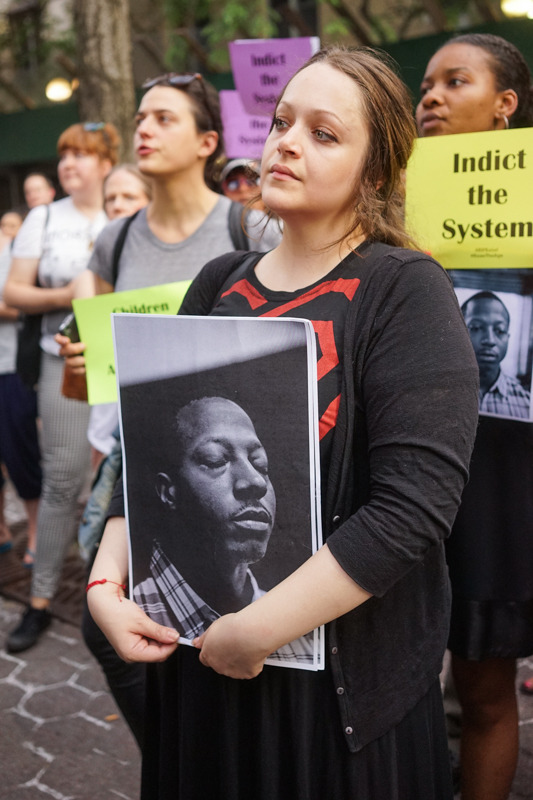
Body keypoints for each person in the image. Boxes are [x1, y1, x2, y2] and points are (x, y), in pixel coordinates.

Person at [87, 46, 478, 800]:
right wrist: (109, 580)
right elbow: (146, 454)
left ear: (374, 172)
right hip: (203, 675)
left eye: (323, 133)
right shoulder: (217, 281)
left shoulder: (404, 290)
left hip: (336, 706)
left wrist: (260, 628)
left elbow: (413, 506)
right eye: (280, 122)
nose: (286, 142)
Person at [416, 33, 533, 800]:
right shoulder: (386, 198)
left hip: (498, 486)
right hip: (401, 476)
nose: (428, 95)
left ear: (503, 106)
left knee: (484, 692)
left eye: (452, 81)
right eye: (423, 83)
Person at [3, 122, 120, 653]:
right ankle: (41, 599)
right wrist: (70, 297)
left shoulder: (125, 207)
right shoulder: (44, 218)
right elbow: (14, 292)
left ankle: (127, 593)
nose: (69, 163)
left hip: (125, 357)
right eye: (64, 154)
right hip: (66, 361)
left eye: (82, 154)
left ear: (106, 161)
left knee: (138, 478)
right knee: (62, 479)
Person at [130, 395, 313, 664]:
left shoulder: (299, 635)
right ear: (169, 491)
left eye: (261, 464)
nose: (255, 481)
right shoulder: (129, 612)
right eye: (216, 460)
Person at [0, 208, 41, 565]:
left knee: (19, 453)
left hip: (11, 366)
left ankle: (35, 532)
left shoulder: (14, 253)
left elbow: (22, 305)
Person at [461, 291, 530, 419]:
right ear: (458, 334)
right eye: (476, 328)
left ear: (507, 338)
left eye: (499, 330)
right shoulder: (435, 394)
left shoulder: (527, 405)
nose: (490, 340)